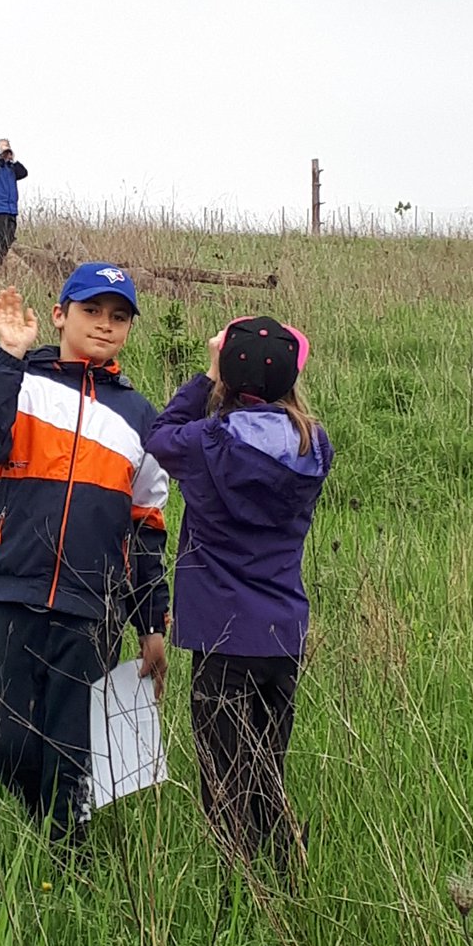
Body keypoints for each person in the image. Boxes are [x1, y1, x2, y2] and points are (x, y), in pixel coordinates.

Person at [0, 263, 170, 843]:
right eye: (92, 311)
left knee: (74, 755)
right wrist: (6, 357)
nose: (104, 325)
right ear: (59, 315)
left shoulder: (141, 418)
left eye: (118, 317)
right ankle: (36, 833)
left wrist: (152, 624)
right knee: (8, 746)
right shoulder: (20, 380)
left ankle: (69, 867)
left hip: (94, 609)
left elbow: (147, 528)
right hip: (16, 591)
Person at [144, 316, 333, 872]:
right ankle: (288, 878)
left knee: (223, 780)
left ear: (227, 375)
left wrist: (205, 377)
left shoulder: (206, 443)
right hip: (282, 638)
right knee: (268, 770)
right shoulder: (314, 446)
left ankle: (238, 891)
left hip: (221, 638)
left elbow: (159, 435)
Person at [0, 139, 27, 269]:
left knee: (8, 239)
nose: (6, 149)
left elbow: (24, 173)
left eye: (7, 146)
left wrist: (12, 159)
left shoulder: (12, 168)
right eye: (3, 147)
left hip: (11, 209)